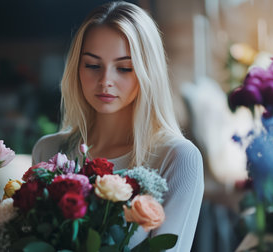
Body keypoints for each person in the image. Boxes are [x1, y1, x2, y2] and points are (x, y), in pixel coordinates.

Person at [32, 1, 204, 251]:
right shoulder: (48, 151)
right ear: (76, 68)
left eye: (124, 68)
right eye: (92, 65)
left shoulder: (178, 158)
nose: (105, 81)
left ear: (148, 72)